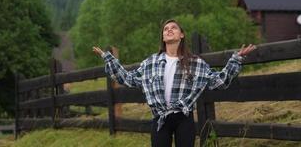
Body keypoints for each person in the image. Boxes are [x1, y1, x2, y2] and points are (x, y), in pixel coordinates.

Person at [92, 19, 256, 147]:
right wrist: (109, 59)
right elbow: (127, 78)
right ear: (163, 37)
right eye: (165, 29)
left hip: (183, 118)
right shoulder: (150, 63)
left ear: (181, 35)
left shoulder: (195, 63)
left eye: (173, 28)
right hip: (159, 118)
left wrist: (236, 60)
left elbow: (219, 81)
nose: (169, 30)